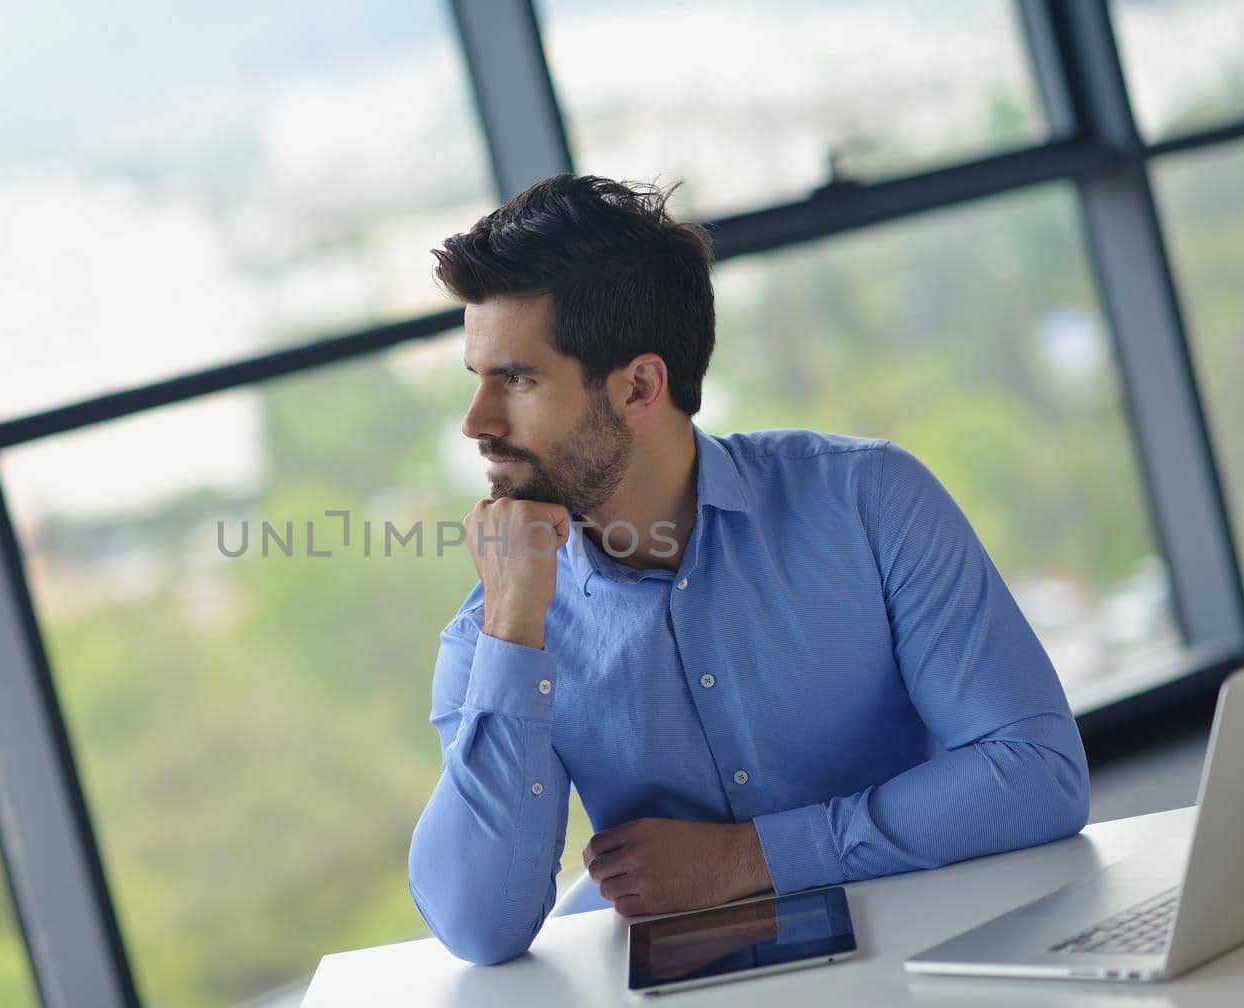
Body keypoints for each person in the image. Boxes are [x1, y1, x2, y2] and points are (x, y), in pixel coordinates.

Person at [407, 174, 1090, 966]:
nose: (476, 424)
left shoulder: (866, 501)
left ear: (639, 385)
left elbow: (1038, 774)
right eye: (477, 380)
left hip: (938, 971)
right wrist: (515, 625)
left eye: (516, 381)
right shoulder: (494, 633)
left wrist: (748, 859)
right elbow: (478, 927)